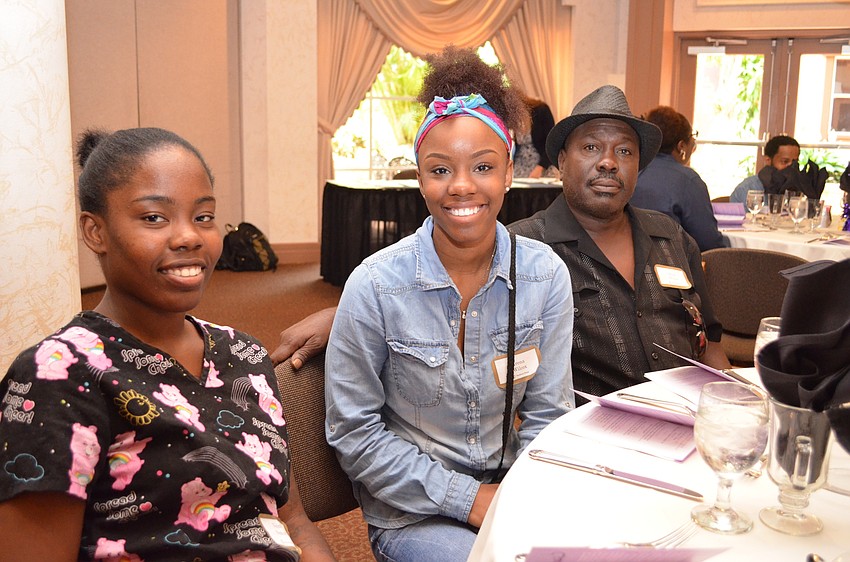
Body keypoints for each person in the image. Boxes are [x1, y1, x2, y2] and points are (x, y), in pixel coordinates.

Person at [274, 85, 732, 404]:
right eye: (591, 147)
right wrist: (346, 314)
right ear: (561, 160)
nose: (609, 162)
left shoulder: (672, 237)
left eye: (625, 151)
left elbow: (710, 343)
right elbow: (444, 282)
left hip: (690, 423)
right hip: (596, 443)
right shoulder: (528, 246)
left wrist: (730, 405)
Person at [0, 128, 336, 562]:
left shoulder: (245, 355)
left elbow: (293, 523)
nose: (189, 237)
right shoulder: (59, 374)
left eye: (204, 216)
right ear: (95, 231)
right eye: (155, 218)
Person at [324, 46, 574, 562]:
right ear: (420, 179)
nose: (462, 186)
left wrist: (520, 498)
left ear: (509, 173)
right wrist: (471, 500)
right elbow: (354, 435)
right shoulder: (374, 285)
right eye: (440, 170)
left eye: (482, 166)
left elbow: (548, 414)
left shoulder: (545, 275)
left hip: (509, 492)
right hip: (411, 512)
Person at [630, 106, 727, 251]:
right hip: (672, 261)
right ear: (681, 146)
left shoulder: (631, 171)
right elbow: (708, 243)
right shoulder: (688, 181)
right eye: (692, 140)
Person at [729, 135, 801, 203]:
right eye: (785, 161)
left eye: (795, 162)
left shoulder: (800, 188)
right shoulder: (747, 189)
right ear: (768, 160)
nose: (791, 167)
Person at [512, 94, 558, 178]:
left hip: (541, 166)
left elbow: (551, 142)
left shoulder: (541, 110)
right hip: (519, 168)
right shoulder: (515, 118)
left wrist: (541, 166)